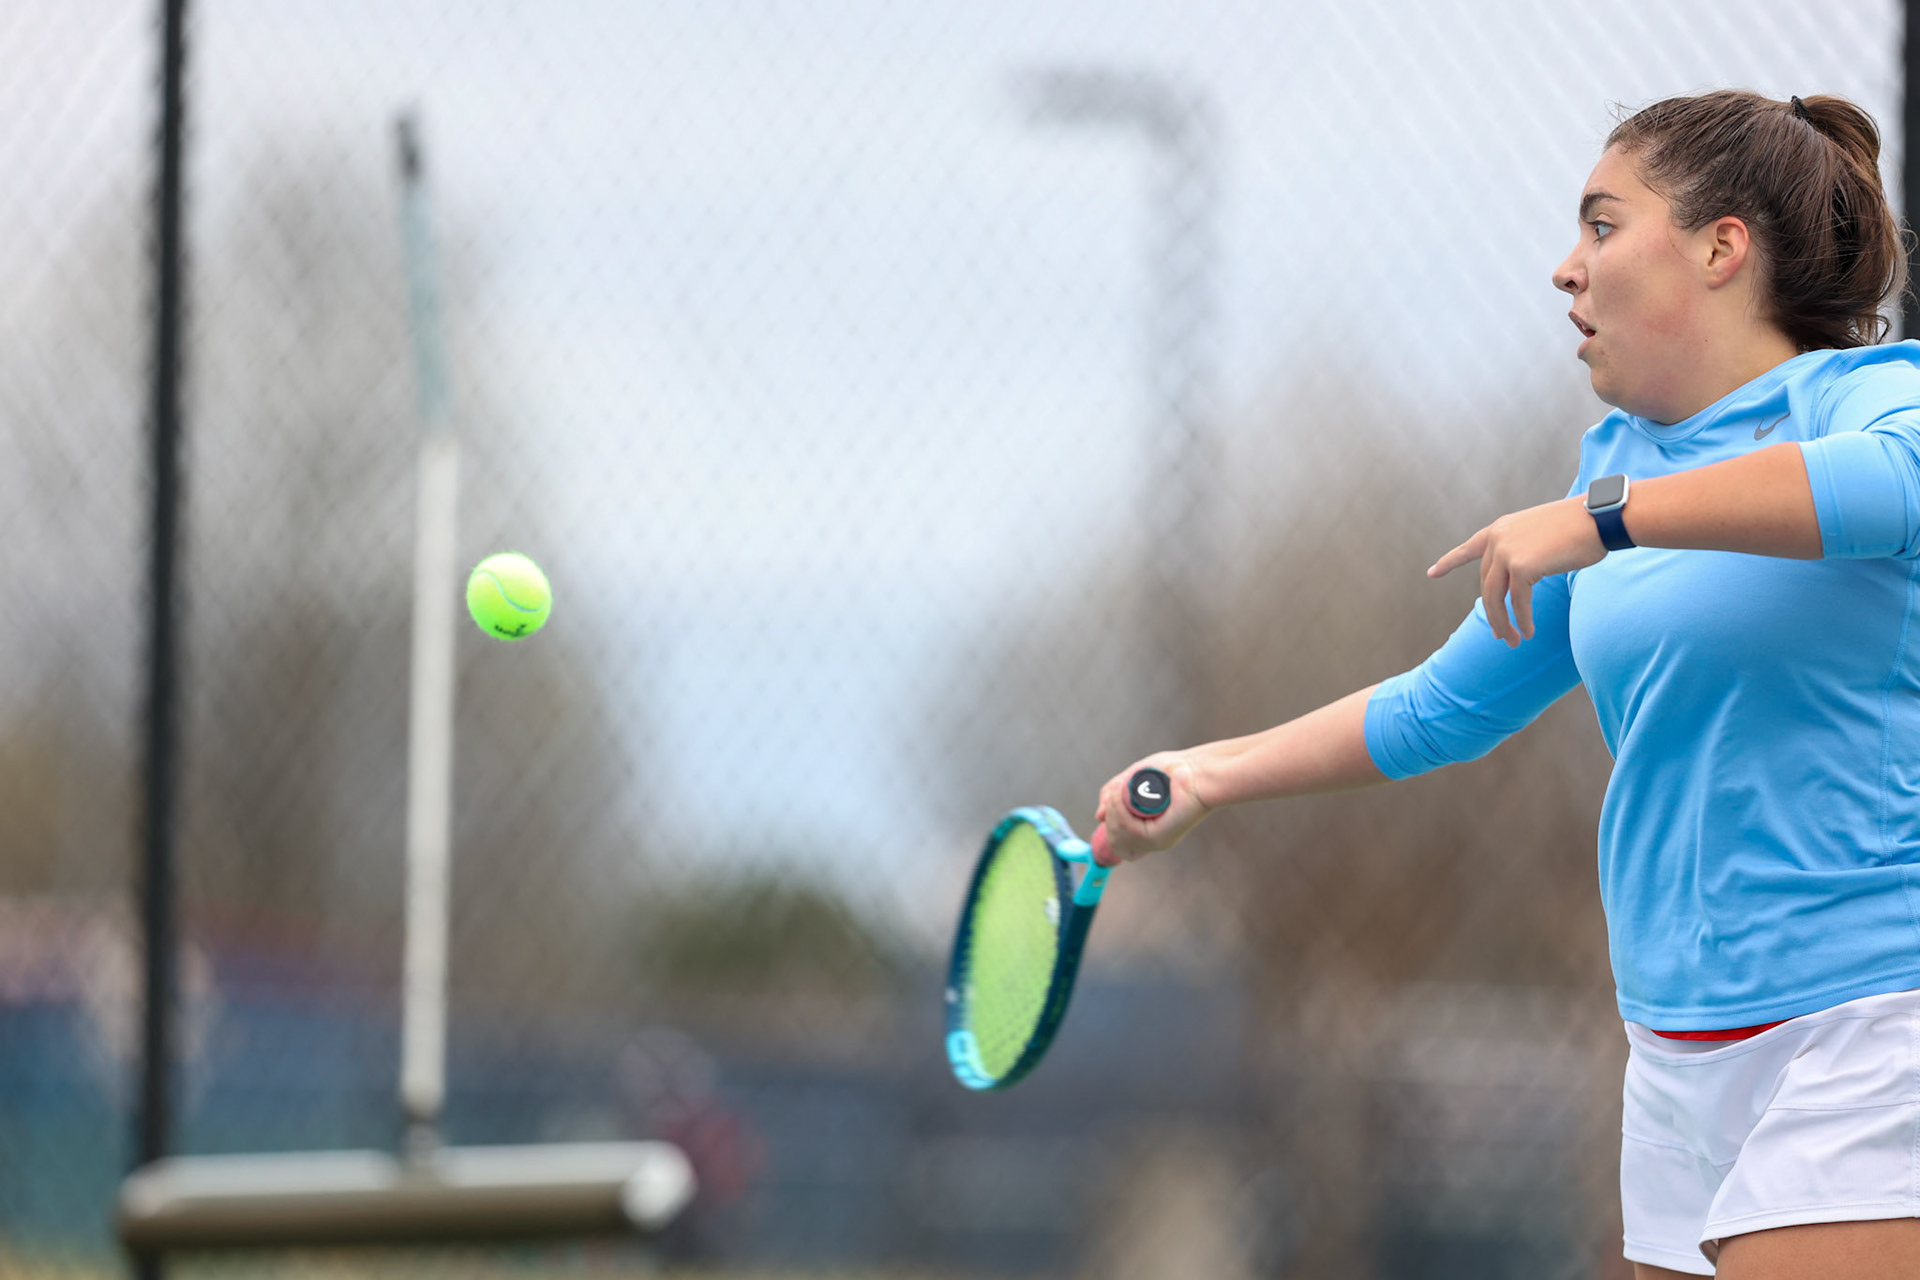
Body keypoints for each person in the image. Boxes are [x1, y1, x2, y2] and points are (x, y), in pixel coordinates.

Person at [1090, 90, 1920, 1279]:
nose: (1564, 269)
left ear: (1720, 247)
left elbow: (1891, 488)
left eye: (1602, 224)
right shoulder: (1620, 468)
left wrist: (1608, 521)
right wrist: (1209, 773)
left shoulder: (1872, 399)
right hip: (1680, 1043)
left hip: (1873, 1018)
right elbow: (1441, 706)